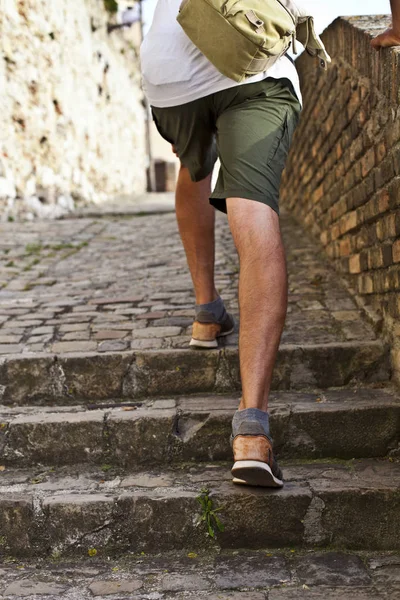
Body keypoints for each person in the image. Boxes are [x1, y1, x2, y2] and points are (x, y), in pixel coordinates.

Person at [140, 0, 400, 488]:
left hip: (169, 74)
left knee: (193, 166)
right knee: (253, 206)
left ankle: (205, 312)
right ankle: (252, 430)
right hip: (254, 63)